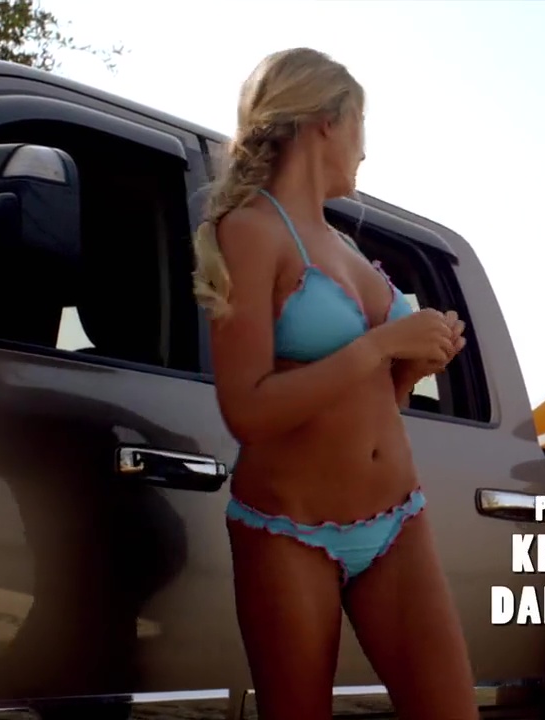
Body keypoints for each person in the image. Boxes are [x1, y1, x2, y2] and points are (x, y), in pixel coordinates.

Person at [191, 48, 477, 720]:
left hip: (397, 518)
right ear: (326, 120)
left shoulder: (347, 248)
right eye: (361, 125)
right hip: (289, 531)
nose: (365, 150)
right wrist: (383, 343)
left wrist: (412, 366)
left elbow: (374, 403)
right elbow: (246, 410)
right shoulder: (250, 230)